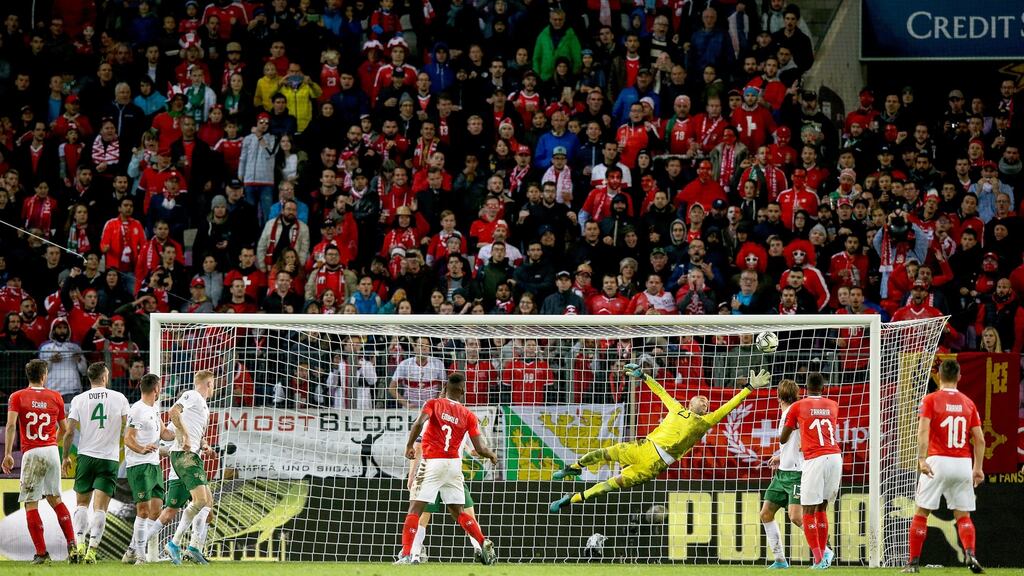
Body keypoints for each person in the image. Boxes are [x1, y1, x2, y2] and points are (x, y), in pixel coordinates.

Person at [549, 362, 771, 511]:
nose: (705, 402)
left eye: (707, 403)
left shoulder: (705, 421)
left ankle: (570, 500)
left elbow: (730, 406)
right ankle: (574, 467)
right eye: (701, 399)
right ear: (690, 402)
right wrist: (643, 376)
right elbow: (660, 391)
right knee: (605, 452)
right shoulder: (676, 408)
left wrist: (749, 388)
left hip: (654, 464)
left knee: (608, 485)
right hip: (643, 446)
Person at [397, 373, 498, 565]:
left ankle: (408, 554)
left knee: (415, 508)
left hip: (433, 462)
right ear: (462, 390)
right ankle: (482, 541)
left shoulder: (434, 404)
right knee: (458, 511)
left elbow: (419, 423)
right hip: (453, 466)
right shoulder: (468, 415)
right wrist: (491, 455)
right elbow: (479, 449)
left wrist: (409, 444)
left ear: (445, 387)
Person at [902, 360, 985, 574]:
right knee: (963, 515)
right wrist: (978, 468)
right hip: (962, 463)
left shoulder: (930, 400)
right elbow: (980, 440)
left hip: (938, 461)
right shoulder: (968, 403)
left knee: (921, 512)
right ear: (959, 377)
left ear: (938, 376)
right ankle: (970, 553)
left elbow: (922, 432)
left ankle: (913, 563)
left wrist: (922, 459)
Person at [2, 359, 79, 564]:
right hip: (52, 451)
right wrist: (57, 447)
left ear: (29, 375)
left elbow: (10, 426)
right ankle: (72, 546)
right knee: (56, 499)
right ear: (44, 375)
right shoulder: (56, 397)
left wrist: (8, 454)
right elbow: (64, 430)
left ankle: (42, 553)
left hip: (32, 453)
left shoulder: (17, 396)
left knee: (30, 503)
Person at [760, 378, 832, 568]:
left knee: (796, 517)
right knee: (766, 513)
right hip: (783, 472)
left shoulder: (796, 412)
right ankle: (780, 560)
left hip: (797, 473)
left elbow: (800, 441)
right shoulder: (792, 412)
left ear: (777, 396)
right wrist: (780, 457)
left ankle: (825, 551)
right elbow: (793, 443)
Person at [63, 362, 129, 564]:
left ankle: (79, 546)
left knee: (82, 504)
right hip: (108, 459)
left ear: (90, 378)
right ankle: (92, 551)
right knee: (100, 508)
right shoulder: (119, 398)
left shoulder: (79, 399)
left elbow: (69, 431)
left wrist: (66, 456)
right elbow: (127, 427)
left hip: (86, 456)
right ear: (105, 376)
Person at [780, 373, 840, 569]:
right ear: (823, 387)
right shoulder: (833, 405)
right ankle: (823, 557)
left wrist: (796, 425)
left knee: (807, 510)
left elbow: (783, 438)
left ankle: (818, 559)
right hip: (835, 457)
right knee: (822, 508)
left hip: (815, 459)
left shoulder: (798, 406)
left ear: (805, 388)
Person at [122, 373, 174, 564]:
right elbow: (128, 438)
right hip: (139, 466)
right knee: (143, 511)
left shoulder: (154, 409)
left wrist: (184, 432)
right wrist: (142, 449)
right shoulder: (137, 410)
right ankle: (140, 556)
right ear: (157, 389)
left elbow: (166, 434)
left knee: (156, 510)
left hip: (154, 466)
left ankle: (132, 549)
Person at [165, 370, 215, 565]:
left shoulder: (205, 408)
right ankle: (174, 543)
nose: (214, 388)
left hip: (193, 455)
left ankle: (194, 547)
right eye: (213, 384)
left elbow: (197, 435)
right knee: (200, 500)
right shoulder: (192, 395)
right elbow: (173, 411)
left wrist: (204, 444)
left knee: (207, 502)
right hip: (183, 455)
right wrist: (185, 436)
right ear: (208, 383)